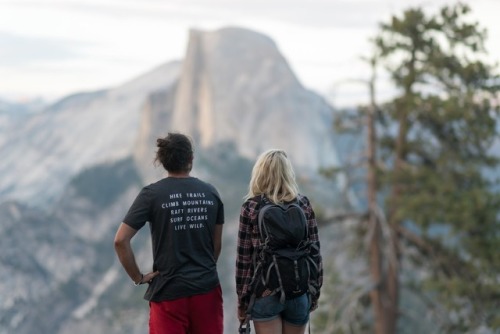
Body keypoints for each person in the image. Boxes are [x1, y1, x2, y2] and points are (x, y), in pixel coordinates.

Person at [114, 132, 224, 334]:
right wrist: (202, 269)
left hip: (168, 294)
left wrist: (138, 277)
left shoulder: (151, 195)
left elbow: (121, 240)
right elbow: (216, 246)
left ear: (162, 161)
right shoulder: (211, 192)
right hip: (207, 291)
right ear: (191, 159)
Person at [236, 149, 323, 334]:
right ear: (288, 173)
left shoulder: (251, 207)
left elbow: (244, 261)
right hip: (299, 290)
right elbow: (315, 252)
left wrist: (243, 301)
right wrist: (313, 292)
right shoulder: (303, 204)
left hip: (265, 292)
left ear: (259, 173)